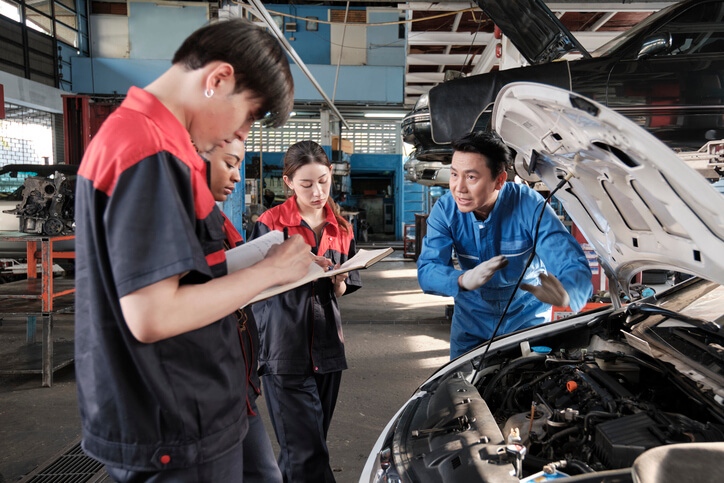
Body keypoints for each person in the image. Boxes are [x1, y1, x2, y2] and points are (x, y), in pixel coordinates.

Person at [74, 19, 313, 481]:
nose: (239, 132)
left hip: (180, 409)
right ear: (218, 80)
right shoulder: (149, 151)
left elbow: (178, 276)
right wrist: (270, 271)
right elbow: (153, 315)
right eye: (247, 116)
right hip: (173, 415)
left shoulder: (144, 140)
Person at [417, 131, 593, 359]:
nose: (458, 188)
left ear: (499, 180)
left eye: (471, 177)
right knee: (463, 388)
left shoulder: (528, 205)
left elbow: (569, 260)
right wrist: (462, 279)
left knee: (528, 385)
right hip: (472, 322)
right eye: (454, 175)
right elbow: (428, 269)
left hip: (527, 319)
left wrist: (568, 293)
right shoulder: (445, 209)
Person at [250, 141, 362, 483]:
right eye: (307, 184)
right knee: (306, 452)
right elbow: (251, 286)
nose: (318, 192)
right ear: (288, 183)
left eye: (324, 181)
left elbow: (341, 290)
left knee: (308, 447)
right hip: (285, 349)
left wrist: (339, 279)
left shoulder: (340, 228)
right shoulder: (270, 225)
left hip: (327, 348)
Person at [201, 139, 283, 483]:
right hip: (211, 387)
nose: (236, 176)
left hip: (239, 377)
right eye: (229, 164)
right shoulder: (182, 223)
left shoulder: (218, 219)